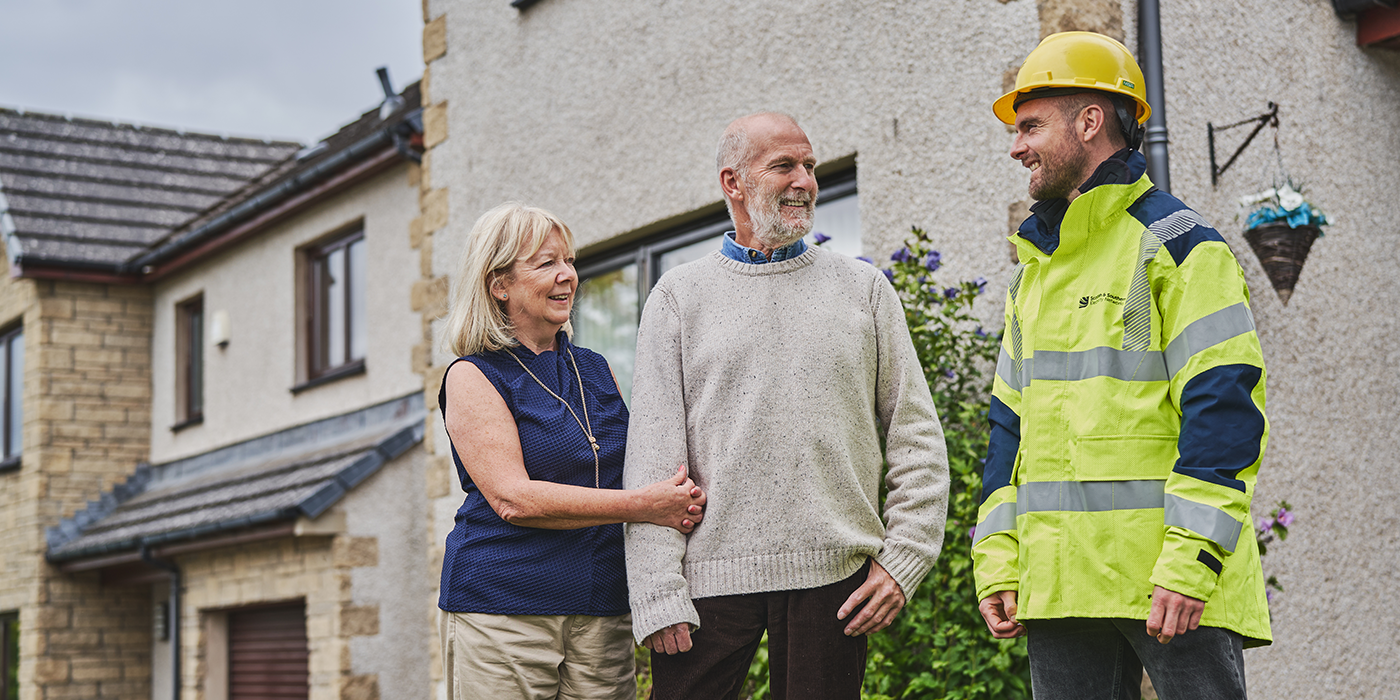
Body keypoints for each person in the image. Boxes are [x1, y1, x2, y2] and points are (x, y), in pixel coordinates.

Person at [973, 32, 1271, 699]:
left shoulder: (1183, 248)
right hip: (1056, 585)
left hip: (1167, 582)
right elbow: (1007, 432)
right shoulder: (1036, 275)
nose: (1016, 146)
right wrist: (998, 563)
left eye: (1030, 127)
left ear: (1089, 121)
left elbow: (1223, 407)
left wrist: (1192, 562)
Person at [623, 112, 950, 700]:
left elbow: (916, 436)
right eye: (783, 166)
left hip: (834, 580)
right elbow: (652, 457)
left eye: (810, 166)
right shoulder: (677, 297)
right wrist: (656, 589)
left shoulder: (865, 290)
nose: (804, 180)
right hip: (707, 585)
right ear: (733, 182)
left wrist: (904, 559)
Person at [436, 202, 707, 700]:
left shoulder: (595, 368)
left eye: (569, 261)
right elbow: (514, 498)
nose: (568, 276)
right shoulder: (473, 375)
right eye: (546, 264)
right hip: (504, 609)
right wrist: (644, 505)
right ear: (499, 284)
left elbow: (637, 463)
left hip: (601, 608)